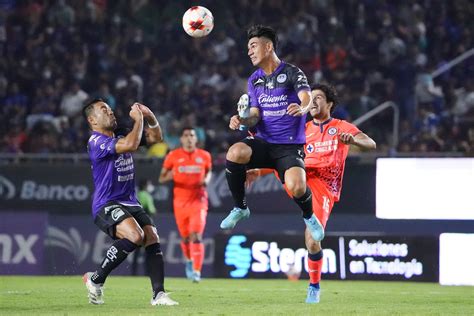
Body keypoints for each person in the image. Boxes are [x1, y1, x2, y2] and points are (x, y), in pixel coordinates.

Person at [247, 83, 376, 304]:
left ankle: (314, 286)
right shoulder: (302, 130)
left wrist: (354, 140)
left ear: (329, 104)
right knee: (281, 155)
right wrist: (259, 171)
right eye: (311, 98)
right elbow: (284, 156)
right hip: (302, 178)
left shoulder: (340, 126)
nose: (313, 101)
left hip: (324, 187)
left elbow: (370, 143)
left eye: (318, 98)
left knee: (312, 240)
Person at [220, 25, 324, 242]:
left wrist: (303, 109)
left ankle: (309, 216)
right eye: (248, 47)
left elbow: (306, 98)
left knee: (297, 187)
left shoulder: (292, 72)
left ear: (268, 47)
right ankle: (240, 207)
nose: (249, 51)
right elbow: (255, 116)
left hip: (289, 146)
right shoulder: (254, 79)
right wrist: (242, 120)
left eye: (253, 45)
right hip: (263, 142)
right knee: (235, 152)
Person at [81, 99, 178, 306]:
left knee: (151, 236)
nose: (110, 112)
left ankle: (158, 294)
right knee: (135, 235)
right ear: (92, 120)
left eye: (109, 108)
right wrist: (139, 119)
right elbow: (131, 145)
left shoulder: (122, 131)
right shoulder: (95, 141)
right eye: (103, 110)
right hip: (106, 203)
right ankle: (96, 278)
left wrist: (150, 115)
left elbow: (156, 138)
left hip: (129, 201)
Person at [159, 127, 212, 283]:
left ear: (196, 139)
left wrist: (207, 180)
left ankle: (196, 271)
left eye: (192, 135)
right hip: (180, 202)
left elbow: (208, 172)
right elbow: (161, 178)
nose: (189, 138)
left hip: (199, 200)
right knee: (185, 237)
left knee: (196, 235)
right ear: (181, 139)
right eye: (186, 135)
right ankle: (189, 261)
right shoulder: (173, 156)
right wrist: (174, 173)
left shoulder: (204, 156)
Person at [131, 179, 157, 276]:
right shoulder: (147, 196)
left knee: (136, 252)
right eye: (149, 184)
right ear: (146, 186)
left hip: (135, 225)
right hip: (146, 226)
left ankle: (133, 273)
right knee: (148, 250)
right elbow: (152, 210)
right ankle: (147, 273)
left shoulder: (135, 195)